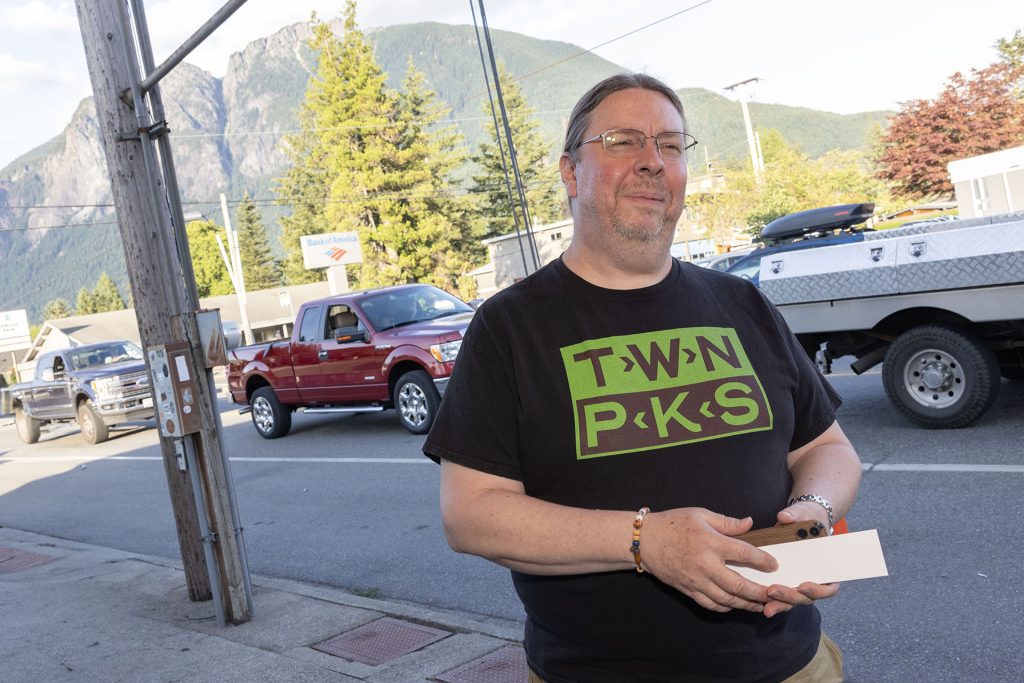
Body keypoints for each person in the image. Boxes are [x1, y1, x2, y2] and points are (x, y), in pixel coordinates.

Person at [423, 73, 862, 683]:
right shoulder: (510, 326)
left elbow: (828, 449)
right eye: (624, 141)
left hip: (793, 665)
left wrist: (810, 514)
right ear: (571, 173)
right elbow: (470, 516)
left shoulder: (744, 304)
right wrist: (644, 540)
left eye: (671, 145)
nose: (653, 163)